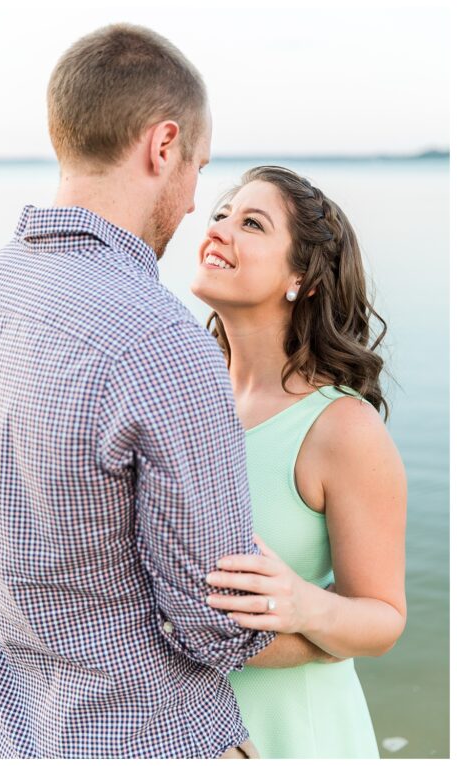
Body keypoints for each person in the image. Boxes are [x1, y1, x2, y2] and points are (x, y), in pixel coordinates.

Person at [0, 24, 344, 759]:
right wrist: (334, 642)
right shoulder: (162, 343)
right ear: (163, 147)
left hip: (15, 735)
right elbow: (215, 624)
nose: (196, 203)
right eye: (198, 168)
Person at [191, 166, 406, 758]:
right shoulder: (187, 395)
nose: (219, 230)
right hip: (180, 728)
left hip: (296, 732)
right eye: (219, 216)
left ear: (302, 280)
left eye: (251, 223)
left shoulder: (342, 428)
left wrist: (302, 603)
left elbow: (383, 618)